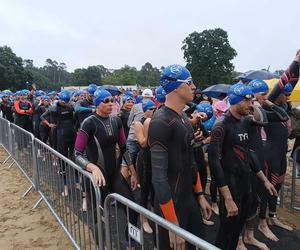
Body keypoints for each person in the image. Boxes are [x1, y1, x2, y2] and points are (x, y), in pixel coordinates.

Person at [149, 64, 211, 250]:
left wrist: (200, 195)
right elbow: (158, 178)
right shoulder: (160, 122)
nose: (194, 87)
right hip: (170, 206)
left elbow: (190, 161)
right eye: (190, 82)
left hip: (188, 199)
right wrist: (172, 224)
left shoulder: (183, 118)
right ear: (176, 87)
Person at [208, 83, 276, 250]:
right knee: (226, 234)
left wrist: (264, 180)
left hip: (245, 184)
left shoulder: (245, 122)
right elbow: (214, 162)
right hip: (230, 186)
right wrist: (228, 198)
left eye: (252, 101)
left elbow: (248, 153)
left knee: (237, 229)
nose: (251, 104)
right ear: (236, 101)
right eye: (247, 101)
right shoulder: (221, 125)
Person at [74, 89, 138, 248]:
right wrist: (92, 168)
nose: (111, 104)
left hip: (114, 174)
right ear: (97, 103)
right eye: (106, 101)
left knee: (133, 209)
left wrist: (133, 171)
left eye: (113, 101)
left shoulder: (116, 121)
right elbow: (77, 154)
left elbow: (124, 148)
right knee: (99, 216)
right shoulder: (89, 123)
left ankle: (130, 241)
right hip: (97, 178)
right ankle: (100, 245)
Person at [134, 99, 156, 234]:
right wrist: (149, 130)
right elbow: (142, 143)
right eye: (151, 109)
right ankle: (144, 220)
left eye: (155, 108)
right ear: (146, 110)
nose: (153, 111)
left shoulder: (155, 122)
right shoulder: (139, 123)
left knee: (155, 189)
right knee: (145, 190)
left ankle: (154, 217)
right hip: (144, 160)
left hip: (154, 159)